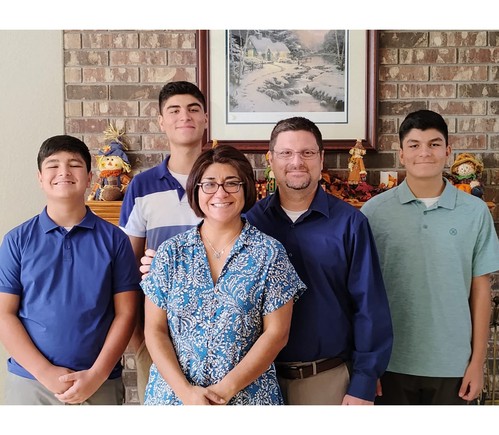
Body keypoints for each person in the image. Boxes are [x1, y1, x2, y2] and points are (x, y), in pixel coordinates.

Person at [141, 117, 393, 405]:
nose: (296, 161)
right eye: (286, 153)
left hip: (320, 376)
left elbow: (369, 306)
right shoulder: (248, 219)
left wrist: (363, 380)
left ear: (321, 159)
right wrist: (158, 264)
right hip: (249, 381)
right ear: (270, 159)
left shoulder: (349, 224)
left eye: (307, 152)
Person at [141, 144, 306, 405]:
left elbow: (276, 334)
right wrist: (187, 393)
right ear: (196, 190)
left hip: (248, 399)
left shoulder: (269, 253)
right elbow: (154, 330)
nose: (220, 192)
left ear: (245, 188)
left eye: (232, 183)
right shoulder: (171, 252)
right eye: (209, 184)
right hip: (174, 398)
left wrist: (222, 392)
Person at [361, 109, 499, 405]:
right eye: (414, 145)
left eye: (434, 144)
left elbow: (481, 290)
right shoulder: (373, 212)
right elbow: (361, 294)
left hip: (454, 365)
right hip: (389, 363)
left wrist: (477, 362)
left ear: (448, 151)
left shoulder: (475, 211)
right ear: (401, 154)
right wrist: (365, 367)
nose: (424, 152)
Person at [0, 135, 140, 405]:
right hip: (30, 382)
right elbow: (4, 314)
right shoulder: (17, 240)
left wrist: (97, 375)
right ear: (40, 178)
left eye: (74, 165)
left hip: (99, 382)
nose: (63, 172)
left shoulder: (115, 240)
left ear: (89, 178)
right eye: (53, 165)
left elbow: (126, 313)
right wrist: (44, 372)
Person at [119, 81, 207, 403]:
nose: (185, 116)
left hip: (221, 337)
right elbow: (126, 267)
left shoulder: (223, 182)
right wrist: (138, 339)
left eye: (193, 109)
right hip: (158, 336)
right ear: (161, 121)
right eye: (174, 110)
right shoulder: (141, 186)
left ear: (205, 119)